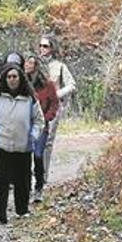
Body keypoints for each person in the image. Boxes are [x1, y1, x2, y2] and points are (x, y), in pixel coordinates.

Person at [0, 65, 45, 225]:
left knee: (22, 179)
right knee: (2, 180)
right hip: (2, 144)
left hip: (23, 145)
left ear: (21, 79)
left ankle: (22, 210)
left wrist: (33, 136)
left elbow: (39, 120)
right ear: (5, 79)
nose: (12, 80)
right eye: (9, 77)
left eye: (15, 77)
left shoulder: (30, 99)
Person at [38, 35, 76, 182]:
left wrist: (57, 94)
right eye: (41, 45)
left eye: (46, 46)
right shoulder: (35, 64)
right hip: (37, 107)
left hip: (53, 108)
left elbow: (72, 85)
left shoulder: (59, 66)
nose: (42, 49)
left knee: (47, 141)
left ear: (52, 48)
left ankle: (43, 176)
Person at [28, 56, 59, 203]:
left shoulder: (48, 85)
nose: (27, 65)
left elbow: (54, 103)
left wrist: (47, 117)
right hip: (24, 125)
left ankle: (39, 186)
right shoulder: (23, 83)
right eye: (26, 62)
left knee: (38, 155)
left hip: (41, 125)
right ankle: (25, 186)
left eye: (30, 62)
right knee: (24, 157)